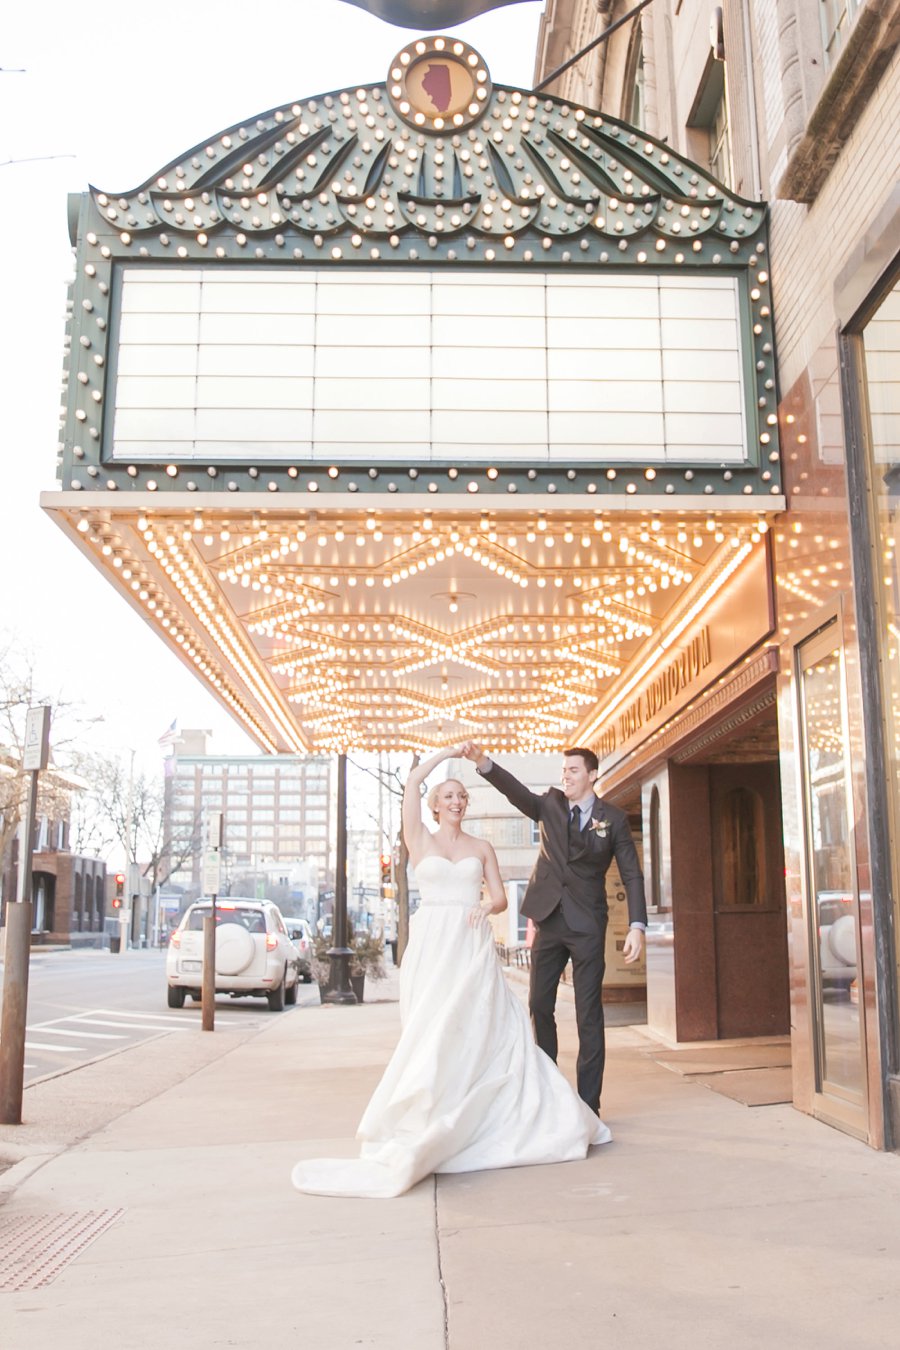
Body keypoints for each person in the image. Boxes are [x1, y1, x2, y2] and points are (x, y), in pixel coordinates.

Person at [291, 744, 610, 1200]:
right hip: (431, 945)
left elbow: (500, 898)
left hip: (470, 944)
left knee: (477, 1026)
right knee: (430, 1029)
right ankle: (432, 1107)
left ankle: (481, 1110)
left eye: (462, 795)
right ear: (435, 804)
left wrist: (485, 906)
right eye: (449, 795)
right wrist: (446, 754)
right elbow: (413, 782)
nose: (457, 801)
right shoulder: (418, 838)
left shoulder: (481, 847)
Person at [461, 742, 647, 1116]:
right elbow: (515, 793)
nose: (566, 776)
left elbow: (631, 872)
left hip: (588, 925)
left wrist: (637, 925)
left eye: (574, 770)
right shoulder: (549, 804)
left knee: (588, 1014)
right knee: (539, 1005)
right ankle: (548, 1094)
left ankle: (589, 1106)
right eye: (564, 771)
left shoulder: (612, 817)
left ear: (592, 775)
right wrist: (484, 763)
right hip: (548, 919)